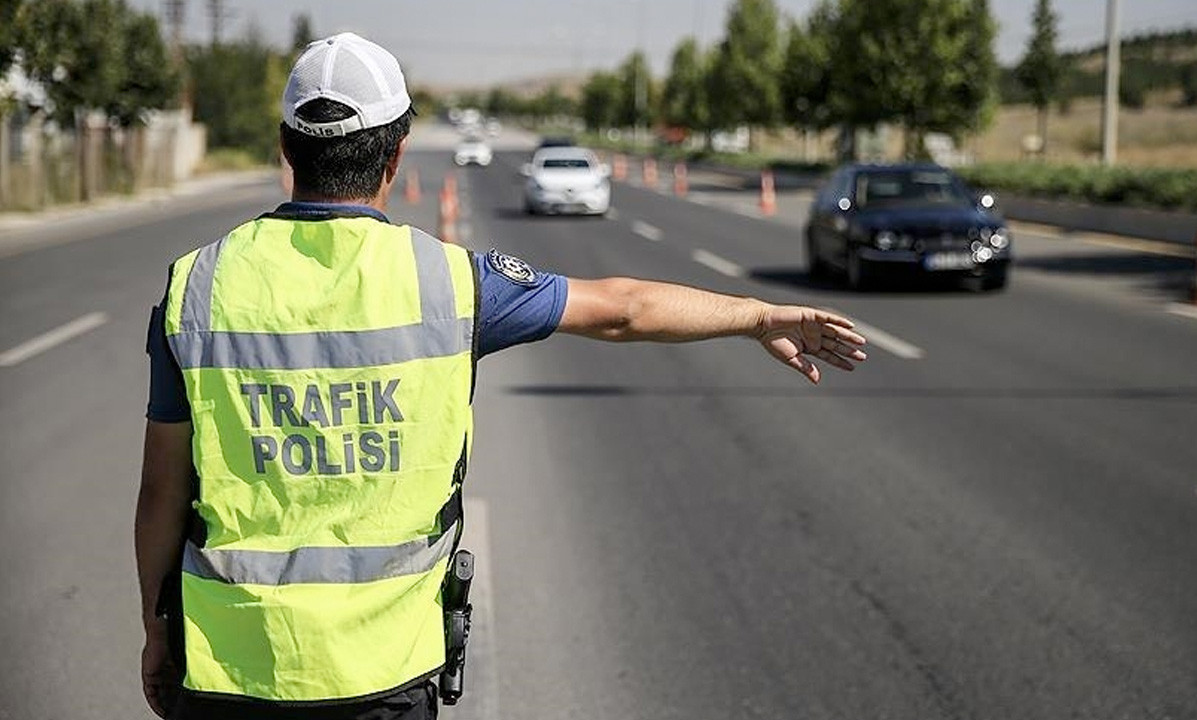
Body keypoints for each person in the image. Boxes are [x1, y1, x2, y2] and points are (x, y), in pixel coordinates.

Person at [135, 32, 867, 720]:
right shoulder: (453, 283)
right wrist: (756, 316)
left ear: (286, 146)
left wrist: (157, 632)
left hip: (229, 669)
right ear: (397, 154)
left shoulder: (196, 288)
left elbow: (162, 493)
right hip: (383, 671)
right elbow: (623, 309)